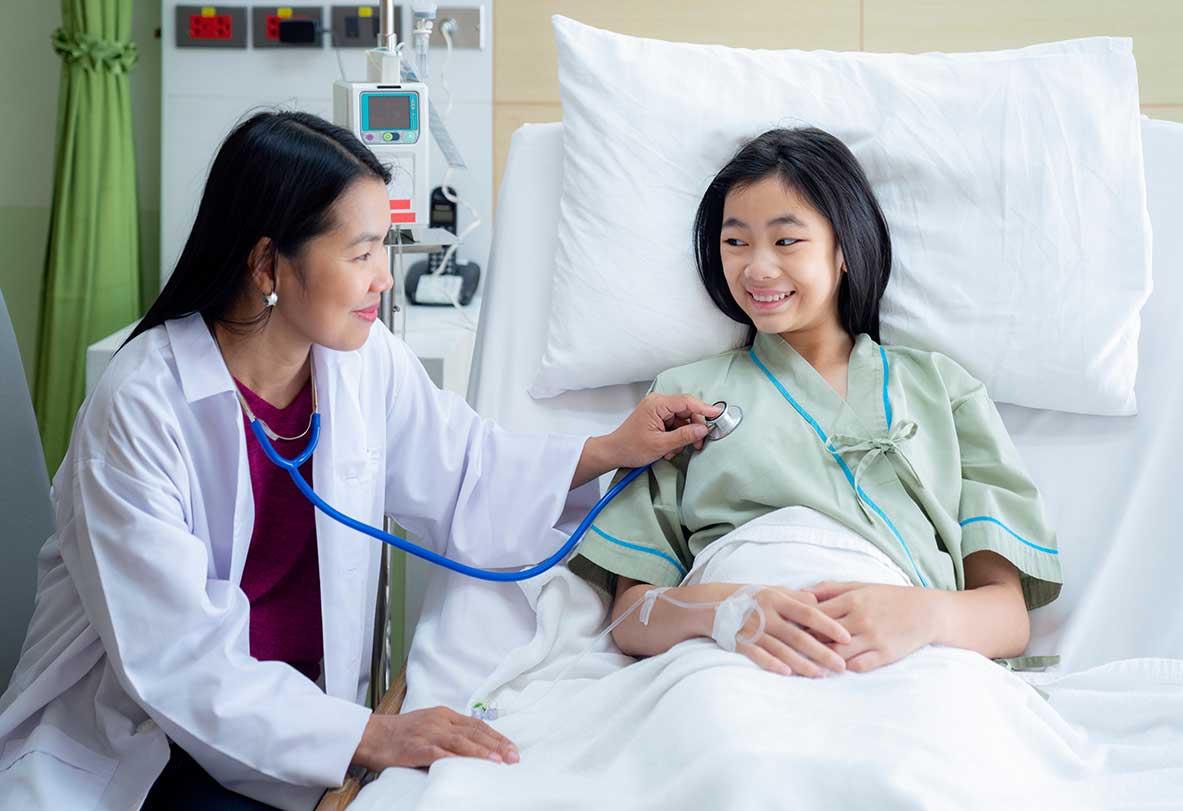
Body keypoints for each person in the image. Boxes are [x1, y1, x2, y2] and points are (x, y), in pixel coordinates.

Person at [0, 111, 720, 810]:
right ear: (265, 264)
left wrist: (610, 450)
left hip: (292, 725)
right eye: (360, 253)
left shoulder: (359, 361)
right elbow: (179, 663)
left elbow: (467, 471)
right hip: (144, 742)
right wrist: (376, 733)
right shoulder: (142, 407)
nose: (383, 277)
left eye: (386, 247)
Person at [569, 127, 1062, 678]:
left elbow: (1008, 617)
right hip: (729, 660)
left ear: (846, 248)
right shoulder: (683, 398)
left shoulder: (943, 391)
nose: (756, 268)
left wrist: (922, 615)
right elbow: (632, 616)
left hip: (904, 657)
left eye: (786, 241)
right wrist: (728, 611)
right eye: (735, 242)